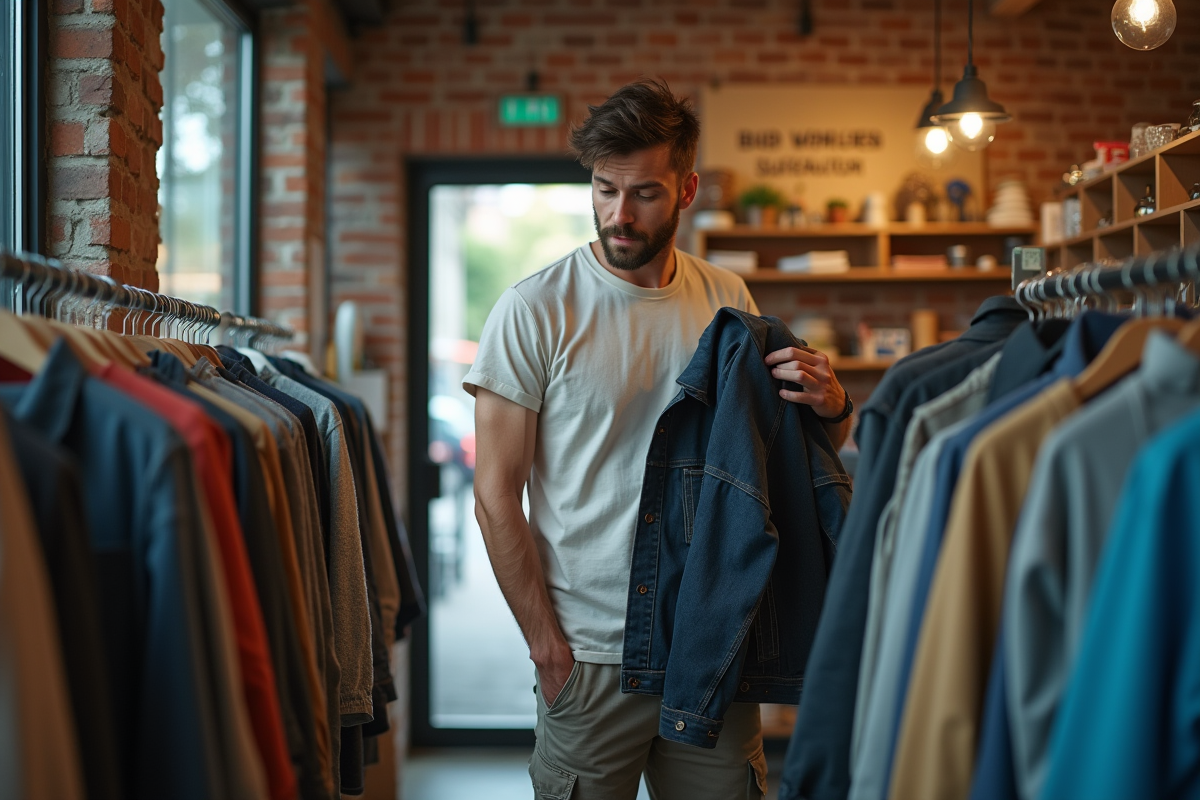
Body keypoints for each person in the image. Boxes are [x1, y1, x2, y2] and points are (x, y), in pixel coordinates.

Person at [463, 78, 852, 799]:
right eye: (605, 189)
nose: (619, 213)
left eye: (642, 192)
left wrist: (831, 406)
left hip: (709, 643)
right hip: (589, 656)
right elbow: (495, 498)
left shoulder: (728, 301)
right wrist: (548, 650)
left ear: (687, 188)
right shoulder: (534, 310)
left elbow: (775, 458)